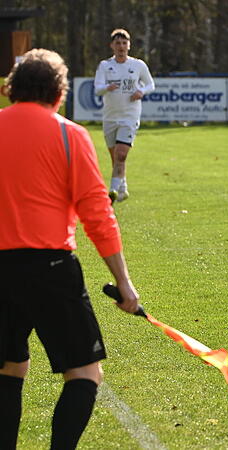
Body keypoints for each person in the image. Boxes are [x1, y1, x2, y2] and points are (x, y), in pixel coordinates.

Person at [0, 49, 141, 448]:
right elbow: (97, 215)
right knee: (84, 373)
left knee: (9, 367)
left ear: (12, 89)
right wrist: (123, 282)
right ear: (59, 92)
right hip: (51, 268)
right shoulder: (69, 135)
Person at [94, 28, 155, 203]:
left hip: (129, 117)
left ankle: (112, 192)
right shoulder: (105, 66)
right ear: (112, 46)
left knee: (121, 154)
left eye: (124, 43)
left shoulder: (138, 65)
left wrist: (141, 91)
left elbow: (150, 84)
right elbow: (97, 89)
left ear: (129, 45)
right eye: (118, 43)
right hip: (110, 117)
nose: (121, 46)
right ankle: (123, 187)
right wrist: (107, 87)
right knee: (115, 157)